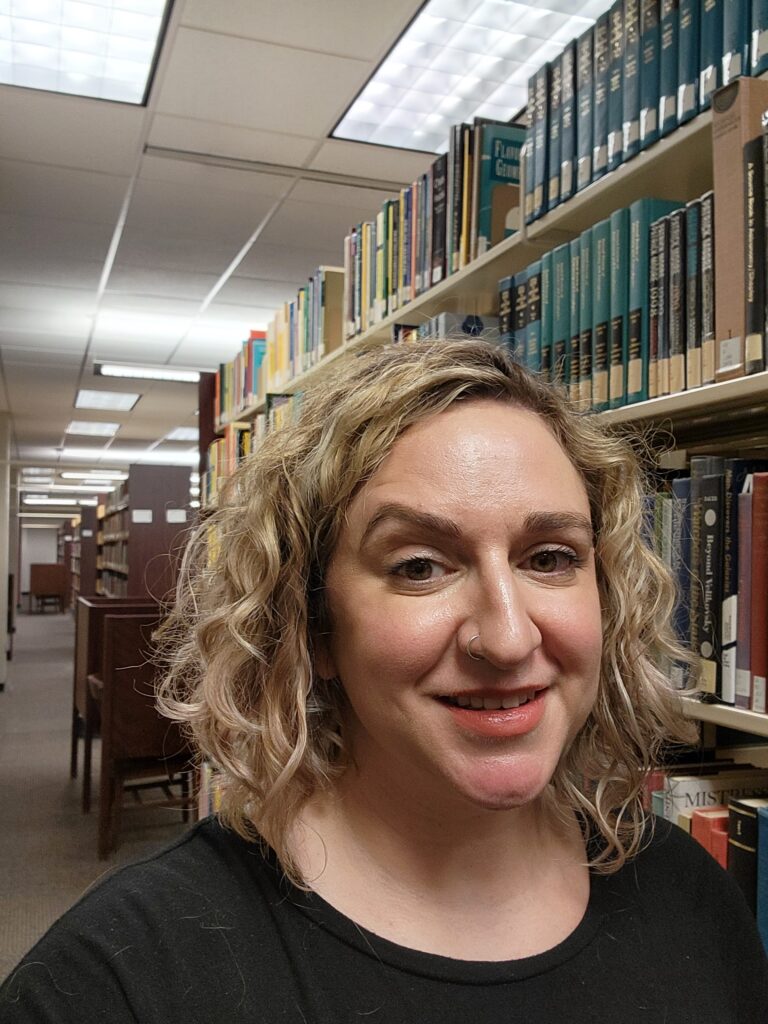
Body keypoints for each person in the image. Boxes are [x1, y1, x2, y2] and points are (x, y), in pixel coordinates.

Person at [1, 338, 766, 1022]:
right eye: (420, 567)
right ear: (313, 624)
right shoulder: (119, 982)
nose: (508, 637)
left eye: (549, 558)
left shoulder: (692, 900)